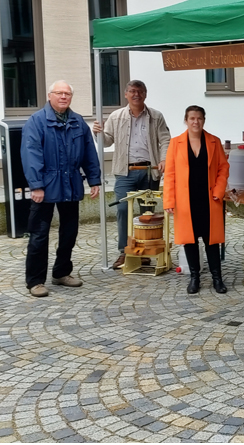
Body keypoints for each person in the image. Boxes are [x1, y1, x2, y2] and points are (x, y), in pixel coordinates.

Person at [20, 80, 101, 298]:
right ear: (50, 95)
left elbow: (89, 153)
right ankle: (35, 281)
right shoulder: (36, 121)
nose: (63, 97)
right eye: (59, 93)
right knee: (39, 235)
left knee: (70, 232)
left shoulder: (77, 122)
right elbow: (31, 155)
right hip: (45, 187)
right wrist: (36, 186)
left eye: (67, 93)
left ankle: (61, 272)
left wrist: (94, 180)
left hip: (71, 183)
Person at [92, 80, 171, 270]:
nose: (136, 94)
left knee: (148, 213)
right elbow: (107, 142)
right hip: (125, 172)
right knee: (122, 210)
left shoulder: (155, 116)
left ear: (145, 94)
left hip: (149, 171)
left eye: (140, 91)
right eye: (132, 91)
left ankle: (145, 252)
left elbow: (165, 138)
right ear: (126, 94)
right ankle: (125, 251)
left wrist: (164, 159)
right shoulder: (116, 116)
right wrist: (98, 133)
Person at [163, 106, 230, 294]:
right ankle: (194, 278)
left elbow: (223, 168)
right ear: (186, 120)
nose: (195, 122)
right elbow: (170, 174)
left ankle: (217, 278)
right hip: (186, 201)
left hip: (209, 199)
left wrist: (219, 190)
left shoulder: (214, 142)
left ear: (204, 120)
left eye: (199, 118)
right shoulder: (175, 143)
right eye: (192, 118)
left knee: (212, 240)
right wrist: (169, 200)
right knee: (189, 241)